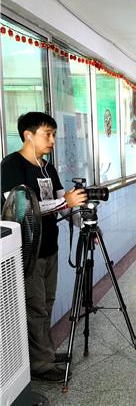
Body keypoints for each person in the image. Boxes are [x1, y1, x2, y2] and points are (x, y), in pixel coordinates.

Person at [1, 112, 87, 383]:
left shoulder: (46, 166)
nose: (52, 140)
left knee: (46, 302)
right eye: (47, 134)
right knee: (35, 306)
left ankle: (43, 352)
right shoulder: (11, 165)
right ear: (28, 134)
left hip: (50, 245)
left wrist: (82, 220)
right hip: (27, 251)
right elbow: (21, 208)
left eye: (53, 134)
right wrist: (66, 204)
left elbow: (62, 197)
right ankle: (40, 364)